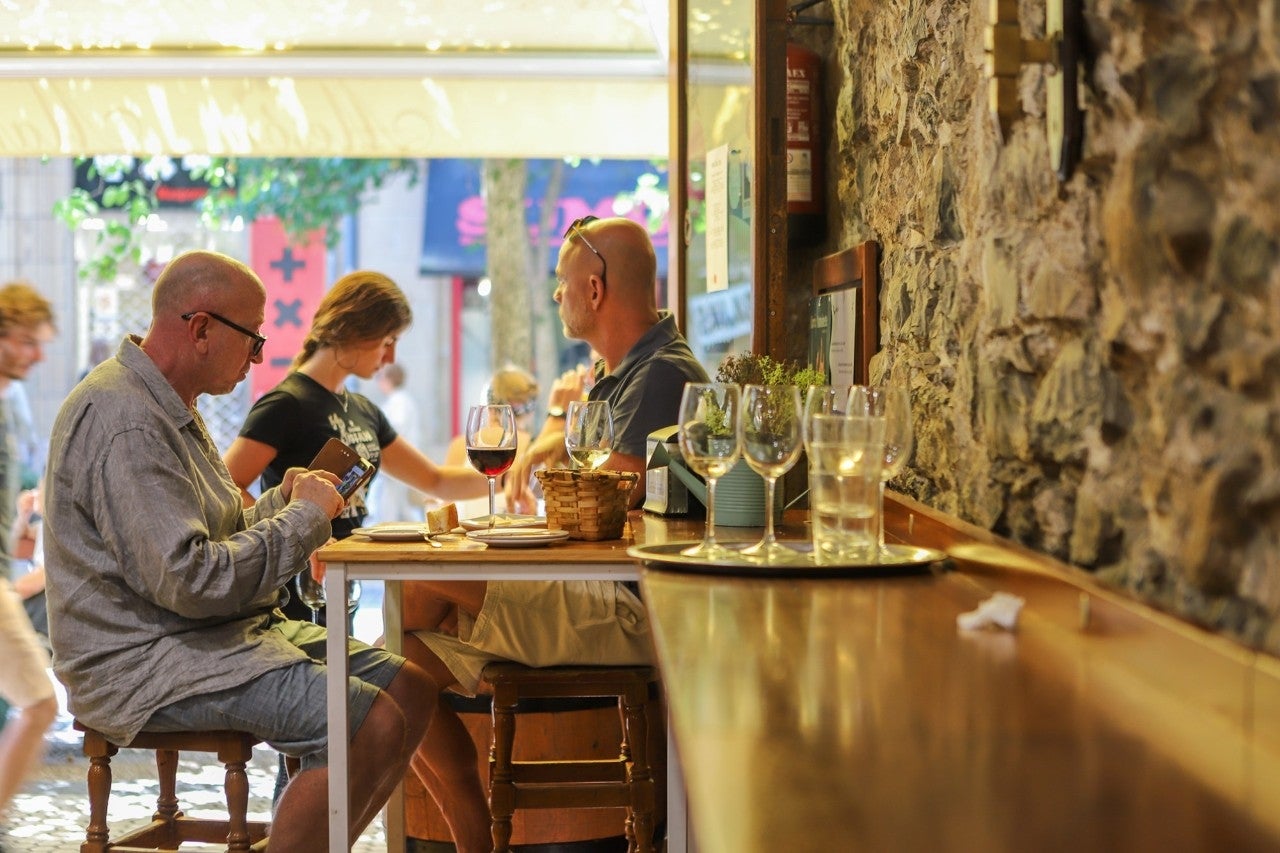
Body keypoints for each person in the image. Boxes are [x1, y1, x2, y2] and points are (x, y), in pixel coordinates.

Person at [41, 251, 434, 851]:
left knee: (412, 688)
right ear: (200, 328)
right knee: (365, 721)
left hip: (205, 634)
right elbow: (191, 582)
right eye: (252, 338)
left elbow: (213, 536)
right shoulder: (126, 418)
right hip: (143, 660)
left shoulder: (169, 401)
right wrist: (303, 520)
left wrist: (283, 501)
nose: (258, 357)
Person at [400, 216, 709, 851]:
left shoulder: (660, 374)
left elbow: (601, 499)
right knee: (396, 665)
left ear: (595, 289)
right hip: (597, 588)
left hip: (629, 608)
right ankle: (474, 839)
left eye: (561, 284)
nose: (556, 297)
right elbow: (568, 485)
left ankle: (470, 840)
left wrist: (546, 481)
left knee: (412, 583)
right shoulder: (623, 372)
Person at [223, 269, 489, 625]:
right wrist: (296, 532)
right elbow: (228, 486)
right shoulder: (286, 403)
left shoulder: (364, 410)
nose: (391, 357)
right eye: (388, 340)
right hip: (297, 592)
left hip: (343, 582)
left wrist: (514, 472)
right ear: (355, 330)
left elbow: (436, 480)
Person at [0, 283, 58, 832]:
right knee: (39, 704)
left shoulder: (8, 403)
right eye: (25, 341)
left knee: (36, 704)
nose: (37, 355)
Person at [442, 364, 539, 520]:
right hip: (512, 538)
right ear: (529, 408)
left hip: (467, 537)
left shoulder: (460, 445)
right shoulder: (536, 447)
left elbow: (445, 509)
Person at [370, 362, 425, 522]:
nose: (378, 382)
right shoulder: (400, 400)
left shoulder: (399, 402)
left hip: (396, 464)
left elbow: (394, 430)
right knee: (400, 508)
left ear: (389, 379)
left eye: (380, 377)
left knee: (389, 509)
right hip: (398, 464)